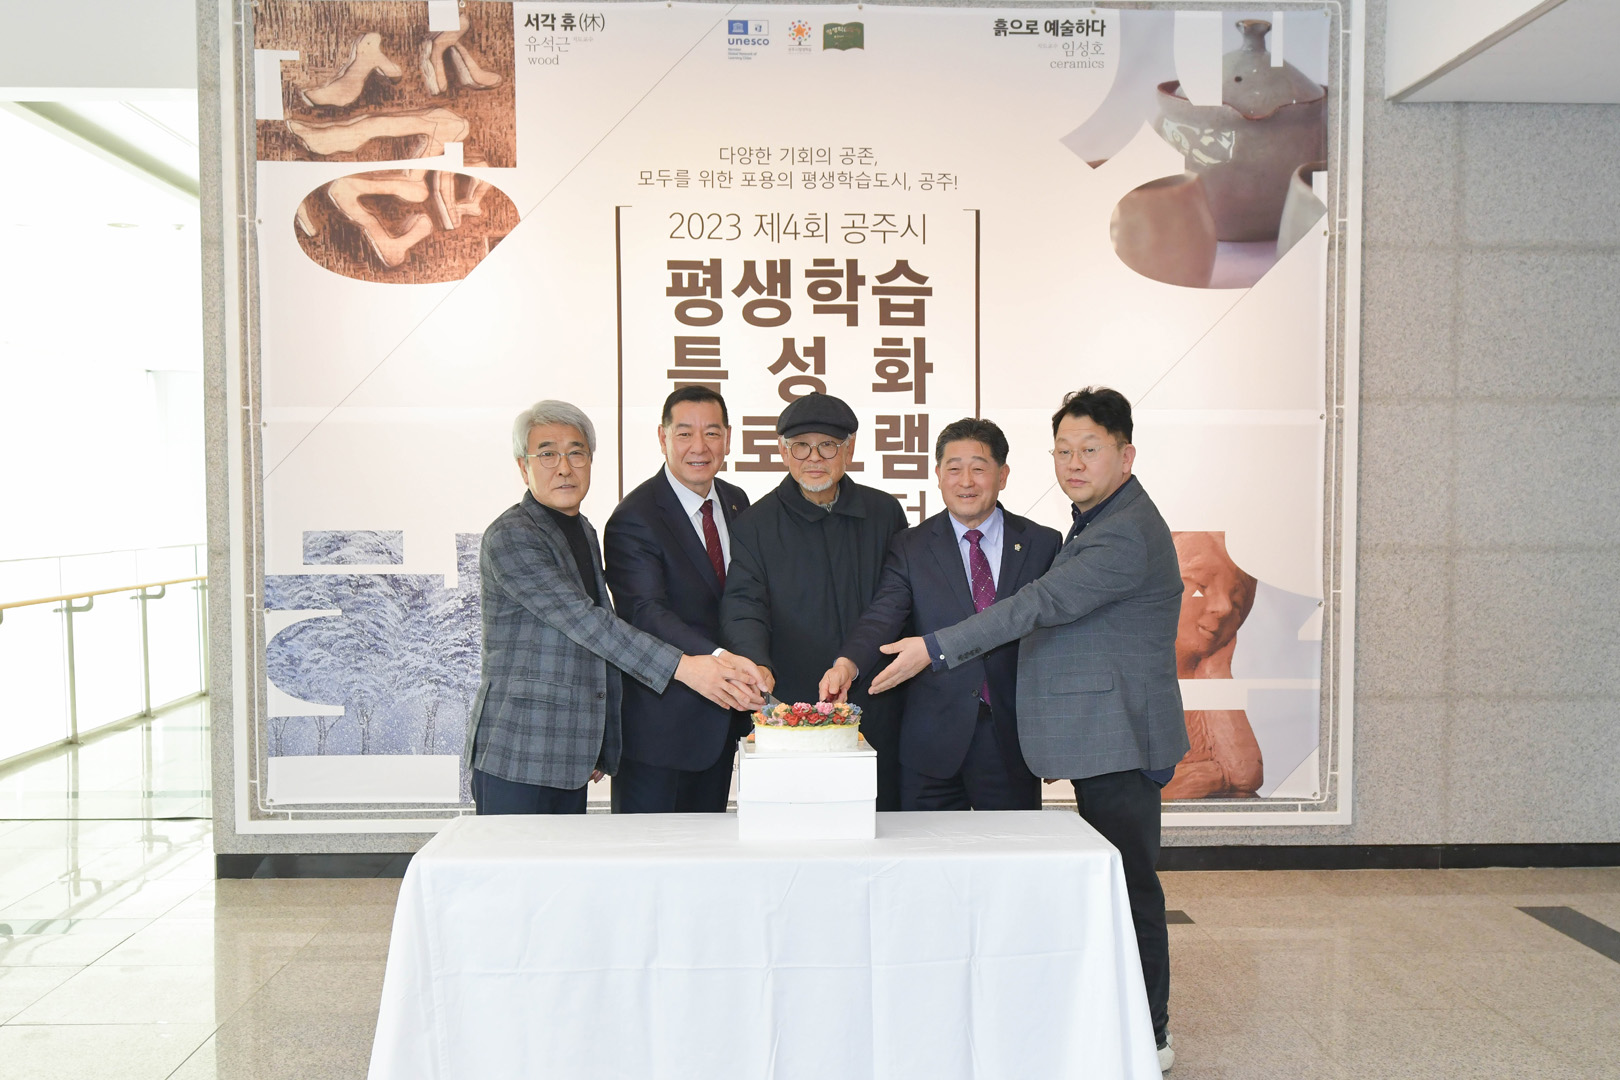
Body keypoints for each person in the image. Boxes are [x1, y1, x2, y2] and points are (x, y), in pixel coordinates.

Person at [868, 387, 1187, 1071]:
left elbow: (1038, 603)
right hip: (1098, 734)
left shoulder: (1122, 532)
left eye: (1090, 449)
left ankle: (1151, 1031)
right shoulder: (1095, 519)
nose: (1074, 463)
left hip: (1119, 736)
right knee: (1115, 883)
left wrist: (935, 648)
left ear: (1126, 455)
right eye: (1064, 451)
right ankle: (1125, 1018)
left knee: (1129, 886)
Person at [463, 399, 766, 816]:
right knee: (515, 861)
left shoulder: (581, 529)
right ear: (523, 466)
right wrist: (686, 667)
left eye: (576, 453)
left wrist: (599, 742)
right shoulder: (512, 536)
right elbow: (590, 624)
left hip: (568, 755)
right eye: (547, 455)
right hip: (519, 750)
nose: (564, 468)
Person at [818, 418, 1061, 811]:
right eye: (953, 468)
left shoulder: (1042, 543)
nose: (966, 481)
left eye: (979, 468)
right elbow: (883, 615)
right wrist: (848, 664)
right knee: (924, 848)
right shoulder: (911, 546)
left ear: (1002, 475)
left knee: (1010, 848)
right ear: (937, 475)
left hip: (1011, 741)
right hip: (932, 743)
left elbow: (1057, 645)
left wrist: (1056, 732)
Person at [719, 392, 909, 809]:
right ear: (783, 451)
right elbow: (744, 606)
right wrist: (757, 662)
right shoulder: (755, 524)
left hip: (875, 698)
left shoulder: (884, 513)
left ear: (850, 449)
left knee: (880, 821)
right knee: (795, 821)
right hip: (791, 706)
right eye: (801, 446)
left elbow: (899, 601)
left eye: (828, 445)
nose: (814, 458)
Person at [603, 386, 755, 813]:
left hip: (721, 723)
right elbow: (644, 612)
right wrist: (721, 657)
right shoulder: (635, 517)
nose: (699, 447)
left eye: (712, 433)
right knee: (650, 849)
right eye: (685, 433)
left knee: (710, 845)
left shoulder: (736, 502)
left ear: (728, 438)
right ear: (662, 437)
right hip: (660, 729)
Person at [1163, 531, 1263, 800]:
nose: (1225, 607)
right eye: (1200, 588)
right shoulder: (1126, 676)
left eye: (1237, 601)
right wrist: (1207, 778)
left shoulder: (1204, 677)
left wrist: (1216, 672)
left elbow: (1246, 776)